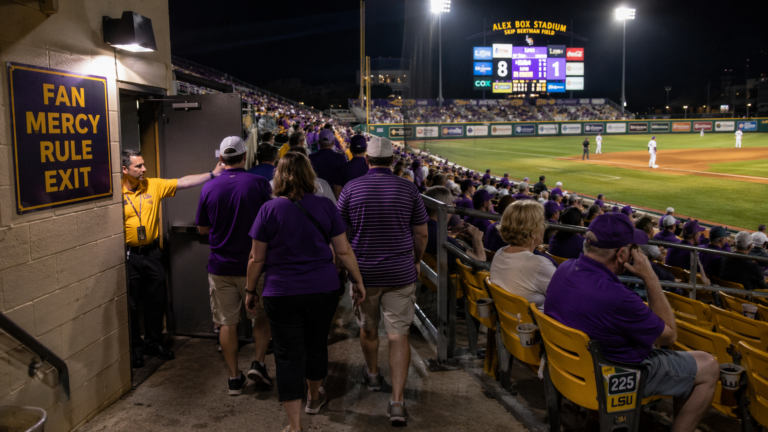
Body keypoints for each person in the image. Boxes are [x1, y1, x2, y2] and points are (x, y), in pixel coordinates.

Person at [545, 213, 719, 432]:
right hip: (614, 376)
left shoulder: (565, 269)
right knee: (709, 366)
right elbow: (669, 335)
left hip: (572, 370)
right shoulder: (618, 297)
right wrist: (651, 278)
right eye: (633, 246)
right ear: (621, 254)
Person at [245, 151, 365, 432]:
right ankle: (313, 398)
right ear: (309, 175)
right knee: (315, 344)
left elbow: (256, 258)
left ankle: (294, 424)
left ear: (279, 176)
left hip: (280, 291)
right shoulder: (325, 206)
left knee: (287, 355)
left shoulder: (269, 209)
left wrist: (251, 290)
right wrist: (357, 281)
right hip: (321, 289)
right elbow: (343, 250)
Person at [337, 136, 429, 424]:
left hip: (364, 274)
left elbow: (339, 234)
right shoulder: (408, 187)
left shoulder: (352, 187)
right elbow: (422, 233)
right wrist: (415, 260)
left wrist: (345, 267)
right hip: (400, 272)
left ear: (367, 160)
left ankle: (374, 375)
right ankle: (397, 402)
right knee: (398, 335)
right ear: (393, 161)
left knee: (368, 329)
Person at [122, 149, 225, 368]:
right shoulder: (116, 194)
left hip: (151, 253)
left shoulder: (152, 185)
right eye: (138, 166)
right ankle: (135, 349)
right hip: (128, 256)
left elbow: (183, 182)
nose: (144, 169)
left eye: (143, 164)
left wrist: (212, 174)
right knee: (130, 306)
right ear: (124, 169)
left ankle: (153, 343)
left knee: (155, 301)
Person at [196, 137, 274, 395]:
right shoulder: (260, 183)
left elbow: (203, 228)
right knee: (261, 317)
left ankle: (233, 378)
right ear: (244, 157)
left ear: (221, 159)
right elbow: (271, 220)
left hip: (220, 266)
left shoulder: (209, 187)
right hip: (256, 265)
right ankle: (259, 363)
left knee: (226, 323)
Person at [490, 200, 556, 310]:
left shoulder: (500, 252)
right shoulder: (539, 265)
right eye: (542, 223)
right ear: (533, 233)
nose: (544, 227)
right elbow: (566, 298)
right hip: (533, 325)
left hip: (507, 322)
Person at [424, 187, 487, 271]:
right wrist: (477, 238)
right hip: (451, 281)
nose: (454, 206)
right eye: (452, 204)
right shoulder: (443, 239)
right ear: (445, 208)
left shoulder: (421, 227)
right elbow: (480, 261)